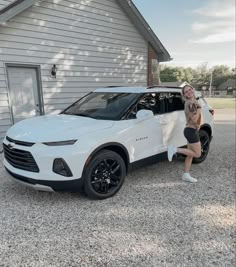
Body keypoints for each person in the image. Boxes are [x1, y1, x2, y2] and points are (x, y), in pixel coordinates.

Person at [167, 85, 202, 183]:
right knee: (197, 154)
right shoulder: (191, 103)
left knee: (190, 154)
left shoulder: (191, 102)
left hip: (190, 130)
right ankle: (174, 149)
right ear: (184, 95)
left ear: (193, 90)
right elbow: (194, 118)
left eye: (190, 89)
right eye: (186, 92)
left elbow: (196, 119)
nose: (189, 92)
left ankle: (186, 175)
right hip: (190, 131)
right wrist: (199, 109)